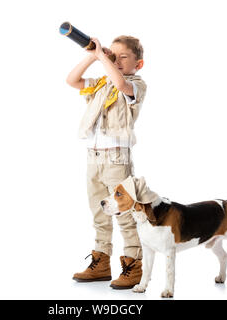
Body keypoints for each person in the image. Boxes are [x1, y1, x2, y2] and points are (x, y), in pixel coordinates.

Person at [66, 35, 147, 289]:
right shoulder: (102, 84)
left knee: (124, 213)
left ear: (138, 64)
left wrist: (104, 58)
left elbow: (121, 84)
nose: (118, 60)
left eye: (125, 57)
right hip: (94, 157)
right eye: (115, 55)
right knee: (99, 211)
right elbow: (72, 80)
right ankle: (101, 261)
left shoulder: (136, 84)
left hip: (116, 159)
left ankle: (133, 265)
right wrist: (94, 55)